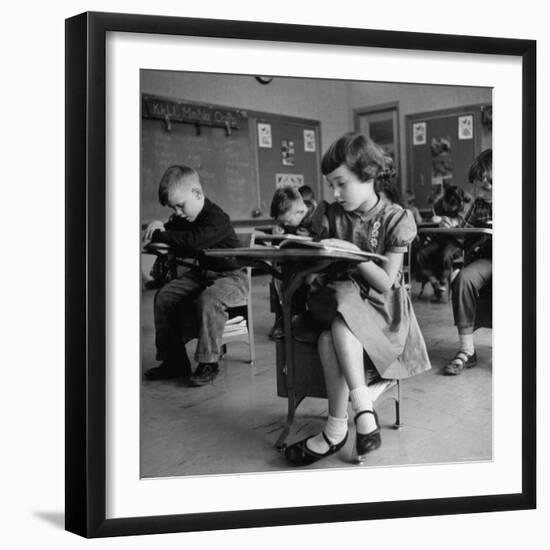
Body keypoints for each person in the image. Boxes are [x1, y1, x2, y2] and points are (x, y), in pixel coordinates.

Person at [284, 133, 431, 466]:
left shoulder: (396, 219)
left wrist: (354, 254)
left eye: (341, 183)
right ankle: (363, 409)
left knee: (328, 337)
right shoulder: (330, 214)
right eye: (331, 185)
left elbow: (385, 282)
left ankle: (336, 431)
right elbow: (319, 264)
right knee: (340, 301)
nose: (334, 194)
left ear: (369, 176)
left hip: (381, 312)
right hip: (336, 300)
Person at [142, 165, 249, 386]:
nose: (178, 213)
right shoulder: (185, 217)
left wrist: (163, 233)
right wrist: (159, 225)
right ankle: (174, 363)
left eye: (180, 206)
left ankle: (209, 361)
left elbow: (193, 241)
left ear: (197, 194)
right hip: (203, 275)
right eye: (174, 208)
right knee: (164, 296)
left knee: (209, 299)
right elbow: (172, 229)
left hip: (232, 277)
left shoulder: (217, 217)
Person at [443, 149, 492, 375]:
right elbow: (463, 231)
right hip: (488, 259)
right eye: (477, 187)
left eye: (484, 187)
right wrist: (451, 226)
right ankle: (467, 350)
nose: (479, 193)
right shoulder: (479, 204)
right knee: (463, 279)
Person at [268, 185, 325, 339]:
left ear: (299, 212)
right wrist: (278, 235)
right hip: (295, 265)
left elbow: (327, 241)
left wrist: (313, 236)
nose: (285, 225)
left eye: (286, 221)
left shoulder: (318, 215)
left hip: (317, 267)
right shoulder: (291, 218)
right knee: (280, 281)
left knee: (294, 282)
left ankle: (294, 321)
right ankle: (287, 321)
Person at [416, 185, 470, 302]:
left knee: (445, 255)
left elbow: (462, 225)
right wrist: (432, 220)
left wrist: (447, 221)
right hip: (439, 239)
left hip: (456, 242)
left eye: (451, 207)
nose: (447, 207)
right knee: (421, 254)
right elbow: (428, 221)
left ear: (458, 205)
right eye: (446, 204)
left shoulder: (465, 207)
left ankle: (443, 283)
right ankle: (435, 283)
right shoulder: (438, 204)